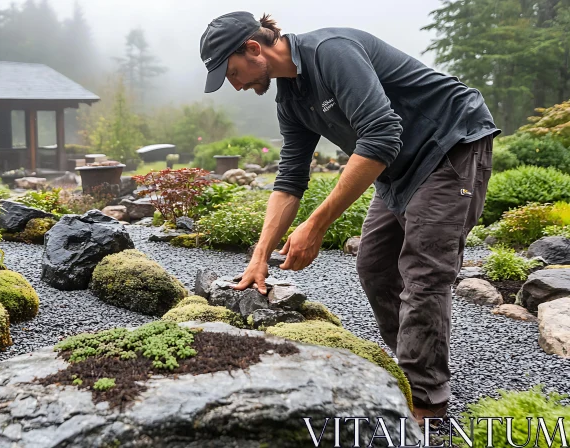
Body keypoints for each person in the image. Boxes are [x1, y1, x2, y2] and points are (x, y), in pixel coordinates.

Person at [199, 11, 500, 426]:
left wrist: (316, 225)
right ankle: (415, 369)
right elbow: (289, 178)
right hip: (400, 164)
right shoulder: (290, 97)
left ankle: (425, 406)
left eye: (232, 72)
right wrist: (259, 256)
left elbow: (380, 133)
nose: (235, 85)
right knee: (375, 266)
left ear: (254, 48)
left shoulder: (330, 52)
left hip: (450, 143)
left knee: (424, 271)